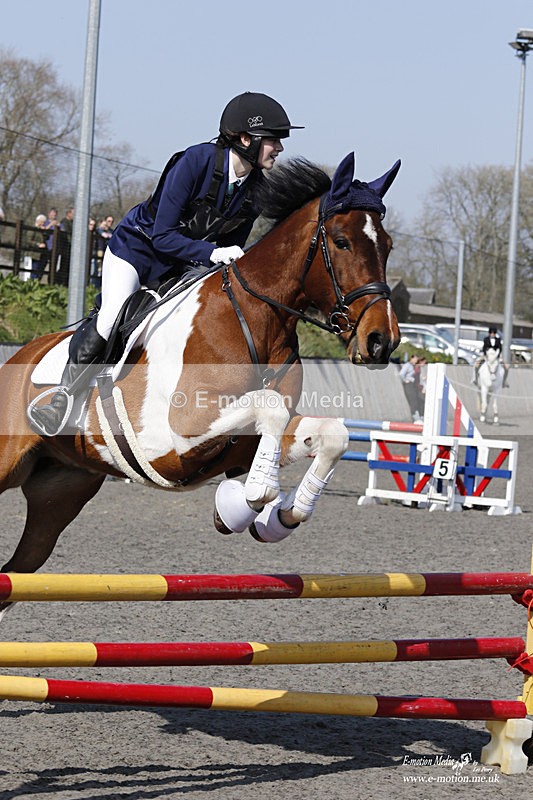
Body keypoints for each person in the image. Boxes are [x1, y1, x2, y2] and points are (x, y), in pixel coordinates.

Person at [29, 91, 303, 436]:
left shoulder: (256, 191)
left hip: (182, 265)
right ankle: (62, 400)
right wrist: (211, 254)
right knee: (113, 315)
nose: (279, 148)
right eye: (272, 140)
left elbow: (231, 245)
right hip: (137, 251)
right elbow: (162, 236)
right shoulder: (194, 162)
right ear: (245, 139)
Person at [399, 354, 422, 422]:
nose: (416, 361)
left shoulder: (413, 366)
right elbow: (401, 374)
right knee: (413, 401)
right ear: (412, 358)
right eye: (415, 359)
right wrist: (405, 380)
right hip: (408, 384)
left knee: (416, 400)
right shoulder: (407, 365)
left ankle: (418, 417)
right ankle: (416, 419)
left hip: (413, 385)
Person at [29, 214, 49, 280]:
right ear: (38, 221)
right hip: (36, 254)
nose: (43, 223)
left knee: (40, 272)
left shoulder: (43, 231)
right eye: (42, 222)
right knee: (34, 270)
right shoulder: (33, 229)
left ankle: (37, 283)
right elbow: (28, 240)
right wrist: (38, 244)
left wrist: (44, 231)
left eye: (44, 222)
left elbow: (47, 238)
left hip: (43, 254)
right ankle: (32, 284)